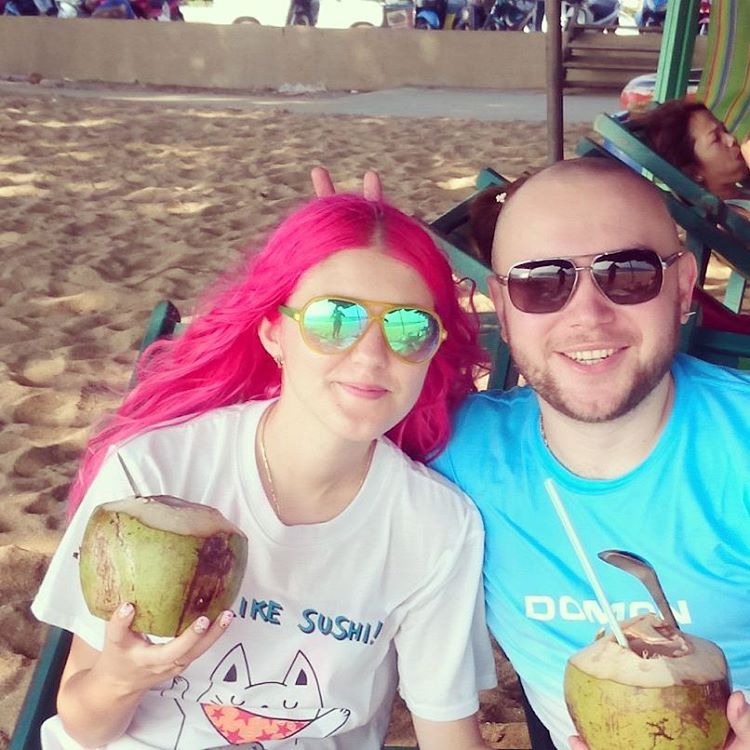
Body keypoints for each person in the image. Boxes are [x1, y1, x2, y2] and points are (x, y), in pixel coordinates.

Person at [31, 194, 498, 750]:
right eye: (334, 319)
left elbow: (447, 730)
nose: (372, 355)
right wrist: (121, 678)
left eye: (408, 327)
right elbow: (82, 725)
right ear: (275, 331)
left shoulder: (438, 525)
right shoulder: (154, 473)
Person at [427, 157, 750, 750]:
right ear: (503, 307)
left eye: (628, 274)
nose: (588, 315)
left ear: (683, 288)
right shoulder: (460, 455)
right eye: (540, 283)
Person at [638, 99, 750, 215]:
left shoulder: (741, 189)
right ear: (693, 172)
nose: (731, 139)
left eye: (724, 130)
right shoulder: (730, 217)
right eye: (716, 139)